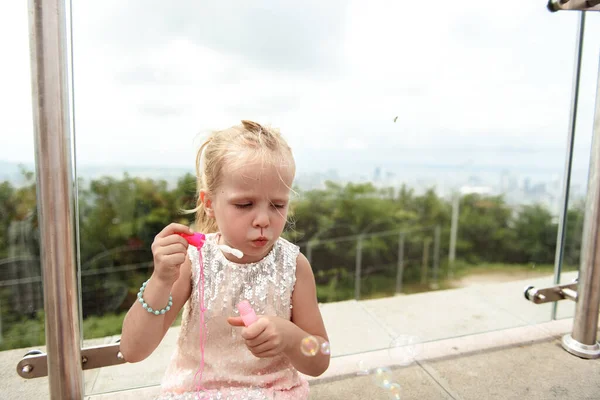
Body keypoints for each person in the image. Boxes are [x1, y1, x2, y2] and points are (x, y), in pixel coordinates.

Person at [120, 120, 330, 399]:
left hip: (273, 392)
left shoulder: (294, 266)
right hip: (200, 392)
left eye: (278, 205)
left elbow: (318, 361)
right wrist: (160, 279)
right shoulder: (193, 261)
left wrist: (290, 337)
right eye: (244, 204)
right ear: (209, 203)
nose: (263, 220)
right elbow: (134, 350)